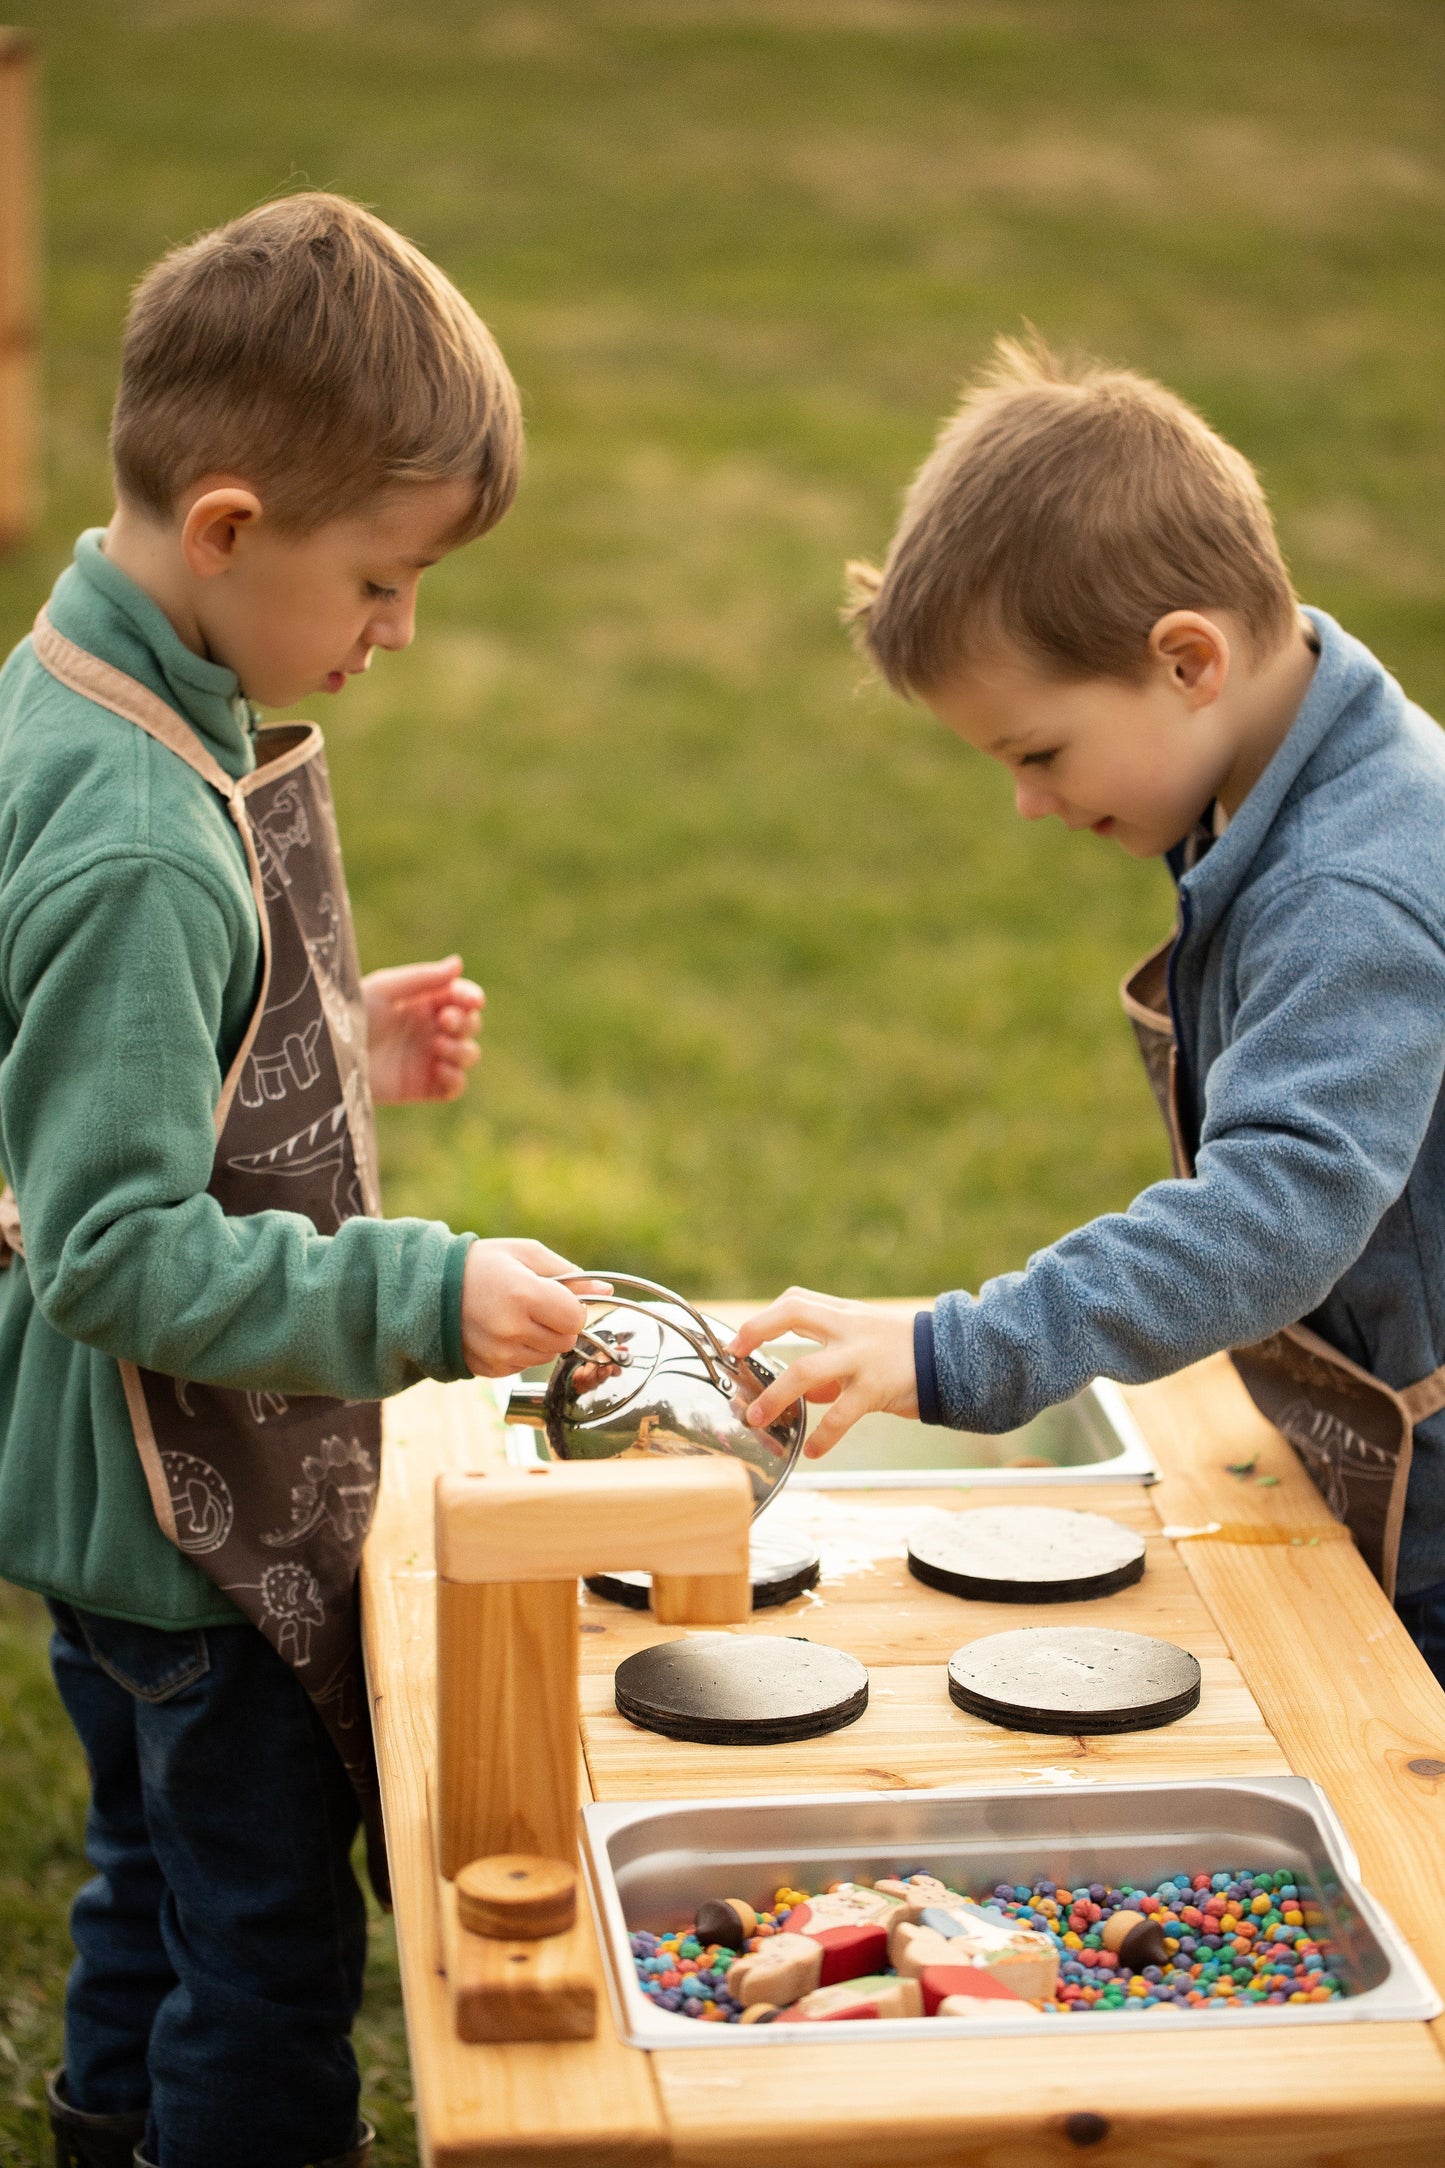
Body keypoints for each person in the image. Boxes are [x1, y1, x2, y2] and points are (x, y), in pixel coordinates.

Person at [0, 193, 599, 2168]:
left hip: (94, 1498)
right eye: (382, 579)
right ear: (233, 528)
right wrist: (417, 1292)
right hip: (177, 1520)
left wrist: (336, 1050)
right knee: (258, 1936)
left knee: (149, 1879)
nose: (398, 630)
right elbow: (112, 1243)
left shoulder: (63, 697)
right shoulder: (146, 846)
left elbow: (82, 1074)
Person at [731, 335, 1445, 1678]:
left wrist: (962, 1347)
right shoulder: (1276, 778)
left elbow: (1271, 1214)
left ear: (1186, 662)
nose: (1028, 803)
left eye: (1039, 752)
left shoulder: (1353, 886)